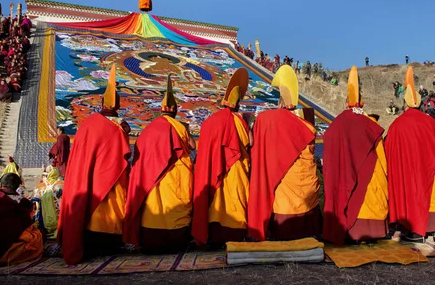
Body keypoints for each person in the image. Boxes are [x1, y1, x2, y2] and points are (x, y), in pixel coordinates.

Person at [57, 64, 131, 264]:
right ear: (116, 107)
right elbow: (125, 153)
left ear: (101, 104)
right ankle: (111, 244)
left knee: (89, 207)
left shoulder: (88, 124)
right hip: (112, 179)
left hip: (88, 179)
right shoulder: (117, 127)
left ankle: (85, 241)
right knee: (112, 209)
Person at [247, 65, 321, 241]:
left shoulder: (267, 120)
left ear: (279, 102)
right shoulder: (306, 125)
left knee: (283, 199)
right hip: (303, 183)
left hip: (282, 184)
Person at [124, 75, 195, 253]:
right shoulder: (179, 126)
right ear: (175, 110)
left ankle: (150, 241)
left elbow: (139, 153)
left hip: (151, 176)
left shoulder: (148, 129)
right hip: (176, 175)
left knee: (153, 206)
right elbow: (192, 146)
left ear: (161, 110)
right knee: (175, 207)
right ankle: (177, 241)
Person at [385, 67, 435, 242]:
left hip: (408, 170)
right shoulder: (429, 120)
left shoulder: (396, 125)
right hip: (429, 167)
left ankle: (415, 230)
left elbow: (388, 149)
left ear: (406, 104)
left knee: (412, 196)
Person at [323, 66, 388, 245]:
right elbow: (381, 158)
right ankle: (372, 233)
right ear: (362, 103)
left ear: (346, 103)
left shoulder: (336, 125)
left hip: (343, 176)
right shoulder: (370, 125)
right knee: (369, 191)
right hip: (370, 176)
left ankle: (348, 230)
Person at [192, 69, 253, 246]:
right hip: (237, 169)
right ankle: (236, 234)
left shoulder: (211, 121)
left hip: (215, 169)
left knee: (217, 203)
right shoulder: (240, 121)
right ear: (238, 104)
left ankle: (214, 236)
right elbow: (250, 142)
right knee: (236, 198)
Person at [0, 173, 43, 266]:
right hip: (1, 253)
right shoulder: (23, 203)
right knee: (36, 237)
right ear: (18, 187)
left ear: (1, 185)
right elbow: (26, 227)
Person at [32, 166, 64, 239]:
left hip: (45, 216)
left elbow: (35, 202)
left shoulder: (40, 187)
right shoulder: (63, 184)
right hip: (60, 215)